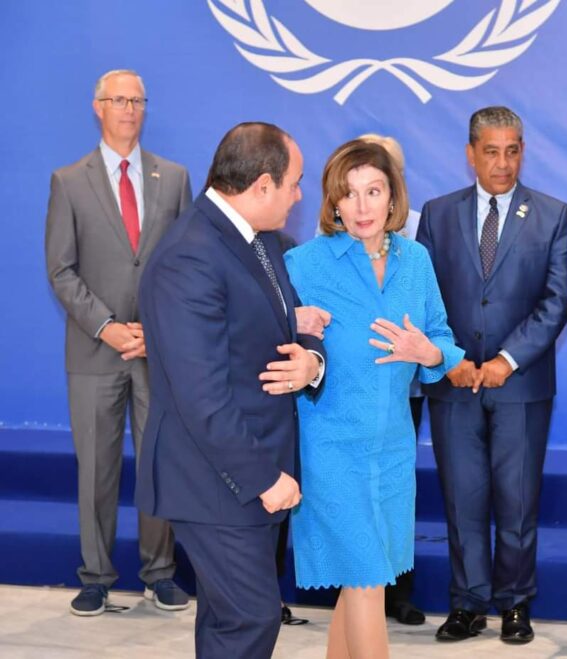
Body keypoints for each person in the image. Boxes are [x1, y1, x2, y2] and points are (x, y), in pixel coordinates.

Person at [136, 122, 325, 658]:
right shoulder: (189, 256)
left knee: (229, 621)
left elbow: (295, 322)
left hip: (247, 471)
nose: (299, 196)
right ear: (262, 185)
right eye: (294, 183)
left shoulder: (260, 240)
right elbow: (201, 397)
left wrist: (311, 358)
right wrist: (263, 477)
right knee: (250, 618)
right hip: (216, 480)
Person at [285, 139, 464, 659]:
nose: (362, 206)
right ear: (333, 202)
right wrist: (291, 324)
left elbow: (443, 338)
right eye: (349, 193)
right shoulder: (305, 263)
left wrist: (428, 353)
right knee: (366, 579)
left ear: (393, 197)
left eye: (374, 190)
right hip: (330, 447)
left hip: (392, 450)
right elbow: (260, 335)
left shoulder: (416, 260)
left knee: (362, 578)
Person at [416, 106, 567, 644]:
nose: (503, 163)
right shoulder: (437, 214)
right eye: (491, 151)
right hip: (454, 381)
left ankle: (515, 604)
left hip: (521, 384)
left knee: (517, 499)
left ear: (522, 151)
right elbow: (424, 297)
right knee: (462, 499)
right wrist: (451, 358)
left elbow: (558, 300)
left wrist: (507, 359)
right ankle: (467, 603)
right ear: (470, 154)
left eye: (512, 151)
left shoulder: (553, 214)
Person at [45, 69, 192, 616]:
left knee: (160, 462)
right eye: (118, 99)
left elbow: (186, 265)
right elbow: (61, 270)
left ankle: (160, 573)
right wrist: (107, 325)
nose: (129, 109)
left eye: (137, 100)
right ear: (98, 107)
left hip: (158, 349)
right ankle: (96, 577)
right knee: (96, 470)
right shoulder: (68, 181)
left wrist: (158, 328)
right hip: (94, 350)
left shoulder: (173, 178)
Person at [358, 133, 425, 626]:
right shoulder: (330, 238)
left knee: (396, 490)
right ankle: (356, 584)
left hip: (406, 385)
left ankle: (398, 592)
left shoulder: (421, 232)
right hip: (350, 386)